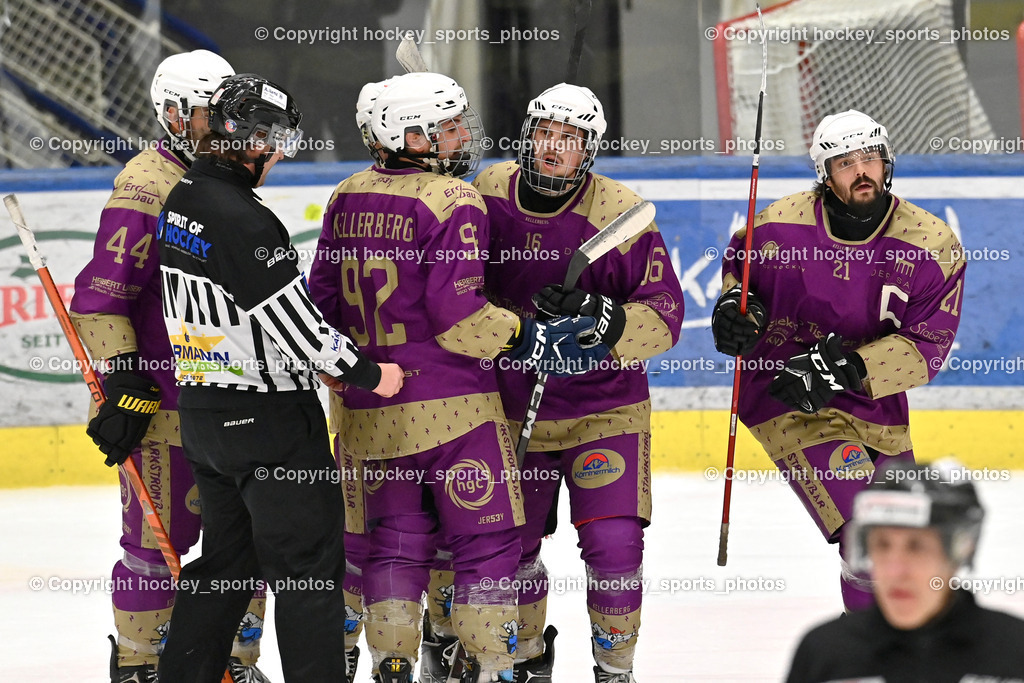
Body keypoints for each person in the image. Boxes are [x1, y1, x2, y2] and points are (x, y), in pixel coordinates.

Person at [307, 71, 601, 683]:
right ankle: (488, 666)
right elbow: (460, 317)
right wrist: (525, 334)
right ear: (405, 134)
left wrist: (347, 378)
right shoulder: (455, 200)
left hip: (369, 411)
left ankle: (391, 664)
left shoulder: (344, 194)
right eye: (446, 127)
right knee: (486, 544)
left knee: (392, 546)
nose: (463, 136)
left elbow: (321, 307)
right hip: (455, 413)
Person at [155, 72, 404, 683]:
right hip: (268, 422)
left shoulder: (182, 197)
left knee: (225, 564)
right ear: (246, 138)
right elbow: (293, 324)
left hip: (206, 420)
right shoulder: (241, 216)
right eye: (276, 140)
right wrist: (370, 372)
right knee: (308, 572)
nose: (279, 154)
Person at [69, 50, 273, 683]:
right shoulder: (145, 186)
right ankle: (140, 664)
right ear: (178, 116)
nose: (232, 127)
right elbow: (102, 296)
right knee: (157, 548)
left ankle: (233, 665)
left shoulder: (232, 179)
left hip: (237, 400)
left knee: (249, 547)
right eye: (218, 113)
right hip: (167, 410)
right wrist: (126, 382)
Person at [710, 109, 966, 612]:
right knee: (873, 532)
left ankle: (898, 651)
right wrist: (735, 312)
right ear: (824, 174)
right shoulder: (777, 228)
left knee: (907, 536)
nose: (862, 171)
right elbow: (739, 283)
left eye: (870, 158)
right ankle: (870, 655)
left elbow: (928, 347)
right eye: (845, 163)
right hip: (786, 396)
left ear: (887, 161)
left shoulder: (932, 244)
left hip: (875, 405)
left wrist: (842, 369)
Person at [474, 83, 685, 683]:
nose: (552, 149)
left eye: (569, 139)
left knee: (615, 551)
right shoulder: (486, 193)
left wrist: (603, 316)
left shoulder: (621, 211)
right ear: (526, 135)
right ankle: (527, 656)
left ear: (589, 149)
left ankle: (614, 670)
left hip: (605, 409)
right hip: (511, 410)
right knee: (510, 551)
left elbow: (667, 315)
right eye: (544, 134)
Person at [786, 460, 1024, 681]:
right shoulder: (825, 653)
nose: (895, 570)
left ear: (960, 550)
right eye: (882, 545)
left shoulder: (1014, 649)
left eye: (916, 547)